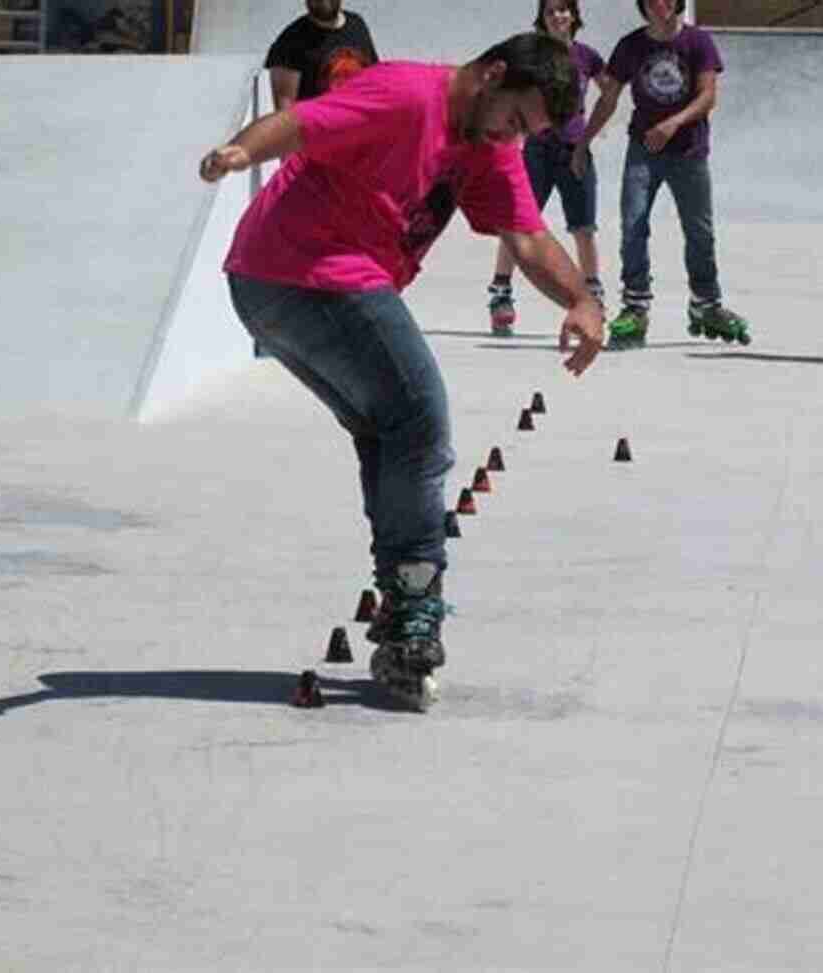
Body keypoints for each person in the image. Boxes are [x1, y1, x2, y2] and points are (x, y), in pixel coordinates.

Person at [198, 33, 604, 709]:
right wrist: (241, 149)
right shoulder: (409, 96)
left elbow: (528, 237)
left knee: (390, 431)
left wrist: (583, 299)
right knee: (419, 416)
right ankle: (415, 599)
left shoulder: (490, 147)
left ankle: (399, 606)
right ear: (492, 73)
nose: (512, 135)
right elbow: (301, 122)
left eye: (527, 130)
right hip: (305, 267)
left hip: (273, 281)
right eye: (514, 116)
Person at [573, 0, 749, 350]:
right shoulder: (632, 45)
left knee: (699, 232)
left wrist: (671, 124)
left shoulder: (698, 42)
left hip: (689, 152)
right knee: (633, 224)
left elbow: (707, 96)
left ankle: (705, 304)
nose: (660, 5)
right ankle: (635, 306)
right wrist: (583, 142)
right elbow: (608, 98)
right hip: (644, 150)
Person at [486, 0, 606, 337]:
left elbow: (610, 91)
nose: (558, 17)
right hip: (537, 149)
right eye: (551, 11)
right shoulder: (534, 55)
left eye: (563, 10)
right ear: (543, 18)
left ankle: (593, 294)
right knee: (518, 223)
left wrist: (589, 134)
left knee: (583, 227)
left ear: (574, 16)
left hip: (574, 151)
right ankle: (500, 293)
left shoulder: (587, 57)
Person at [264, 0, 378, 113]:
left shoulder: (357, 25)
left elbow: (376, 77)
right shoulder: (289, 42)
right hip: (321, 129)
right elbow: (285, 112)